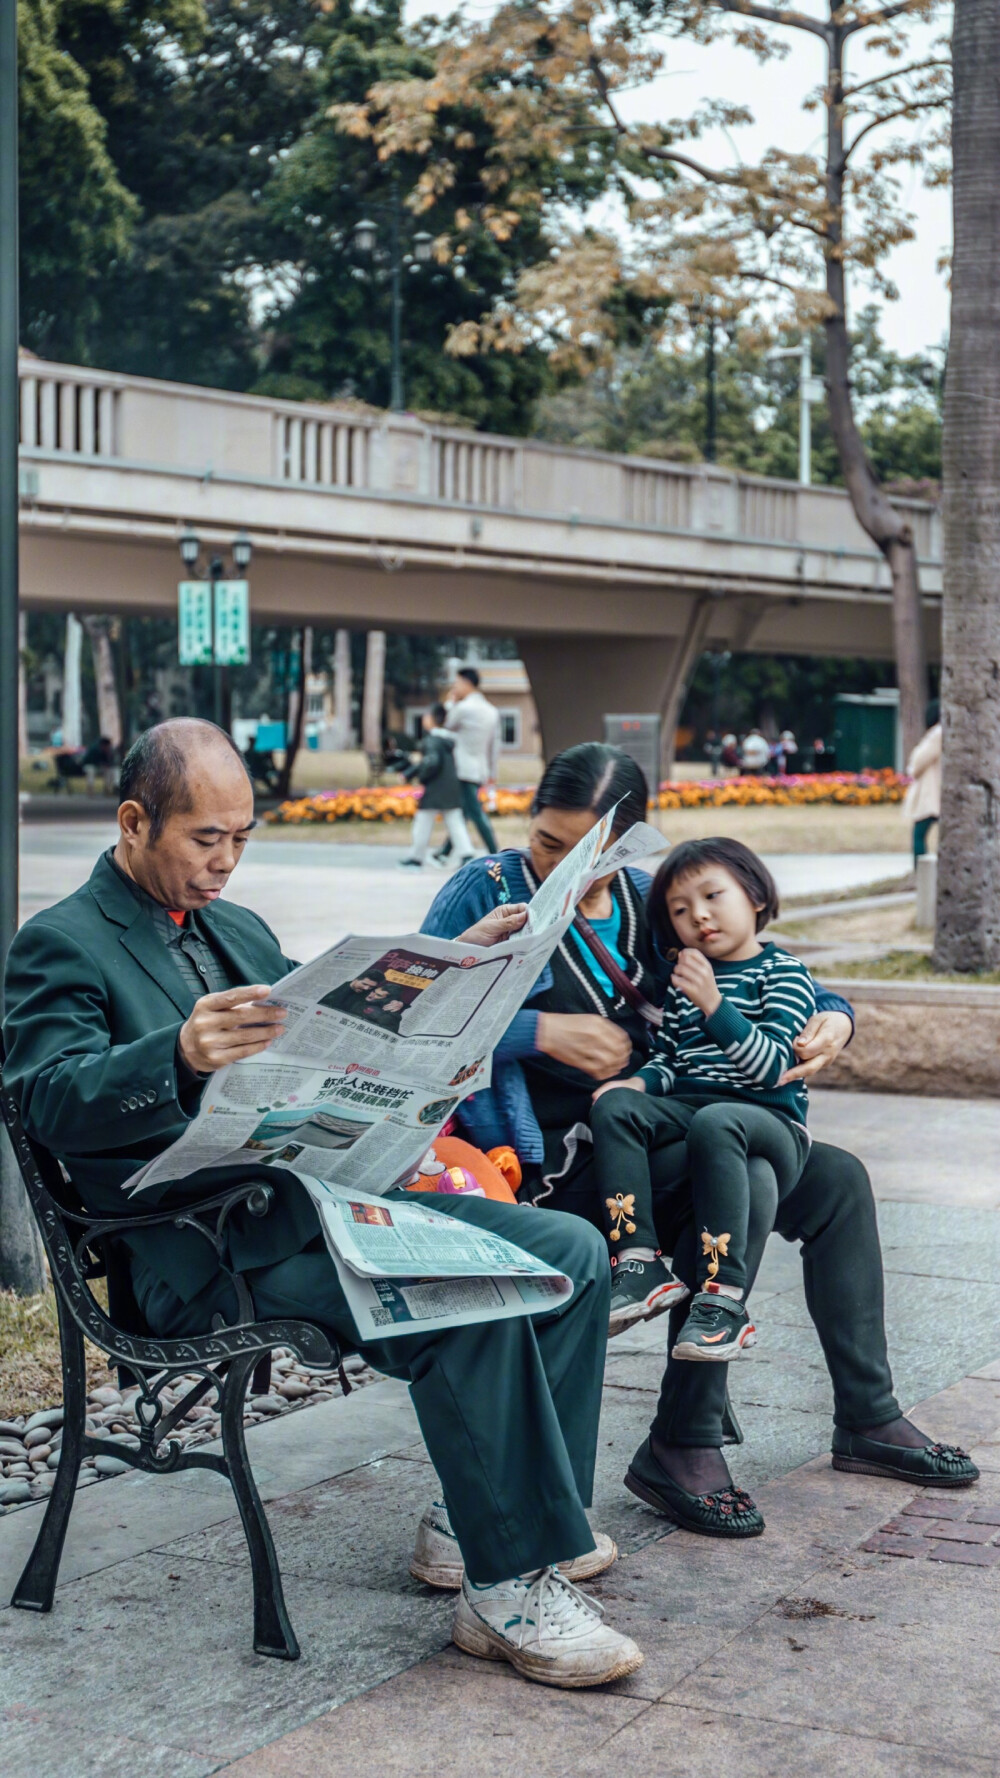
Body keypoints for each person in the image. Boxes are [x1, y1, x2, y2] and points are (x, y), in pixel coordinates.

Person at [2, 717, 642, 1691]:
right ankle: (509, 1578)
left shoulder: (241, 927)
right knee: (470, 1290)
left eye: (243, 836)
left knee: (567, 1252)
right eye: (204, 839)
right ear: (134, 820)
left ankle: (477, 1522)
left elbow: (334, 1034)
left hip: (317, 1205)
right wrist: (173, 1055)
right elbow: (47, 1099)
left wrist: (449, 974)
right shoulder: (61, 943)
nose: (226, 861)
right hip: (197, 1253)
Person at [423, 742, 978, 1539]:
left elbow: (768, 967)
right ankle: (684, 1444)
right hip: (555, 1162)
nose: (553, 864)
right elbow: (415, 1010)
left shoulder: (655, 903)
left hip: (663, 1126)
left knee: (839, 1181)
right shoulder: (488, 889)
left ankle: (867, 1414)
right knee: (747, 1170)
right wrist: (541, 1033)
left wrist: (840, 1013)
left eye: (578, 851)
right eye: (545, 840)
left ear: (625, 845)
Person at [591, 839, 815, 1348]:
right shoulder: (685, 983)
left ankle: (724, 1298)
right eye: (681, 910)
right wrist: (636, 1084)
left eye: (713, 896)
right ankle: (638, 1262)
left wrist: (714, 1003)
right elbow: (671, 1059)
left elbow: (774, 1069)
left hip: (770, 1122)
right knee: (615, 1105)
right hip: (695, 1108)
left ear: (756, 896)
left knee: (717, 1121)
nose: (700, 916)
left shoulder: (781, 972)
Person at [433, 665, 500, 860]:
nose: (454, 687)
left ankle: (495, 852)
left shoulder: (463, 708)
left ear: (466, 683)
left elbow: (444, 724)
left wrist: (450, 703)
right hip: (479, 768)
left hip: (462, 768)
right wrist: (491, 772)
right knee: (464, 812)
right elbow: (494, 745)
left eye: (456, 683)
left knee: (474, 812)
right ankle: (445, 851)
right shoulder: (491, 710)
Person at [398, 704, 476, 870]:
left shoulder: (432, 740)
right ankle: (467, 854)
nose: (424, 719)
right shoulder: (449, 740)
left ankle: (416, 858)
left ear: (432, 719)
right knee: (455, 822)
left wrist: (420, 776)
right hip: (451, 787)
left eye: (426, 716)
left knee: (423, 822)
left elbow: (431, 762)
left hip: (435, 789)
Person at [903, 699, 942, 864]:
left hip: (931, 794)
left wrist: (912, 768)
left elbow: (918, 761)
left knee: (919, 835)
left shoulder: (937, 734)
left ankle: (921, 872)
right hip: (937, 792)